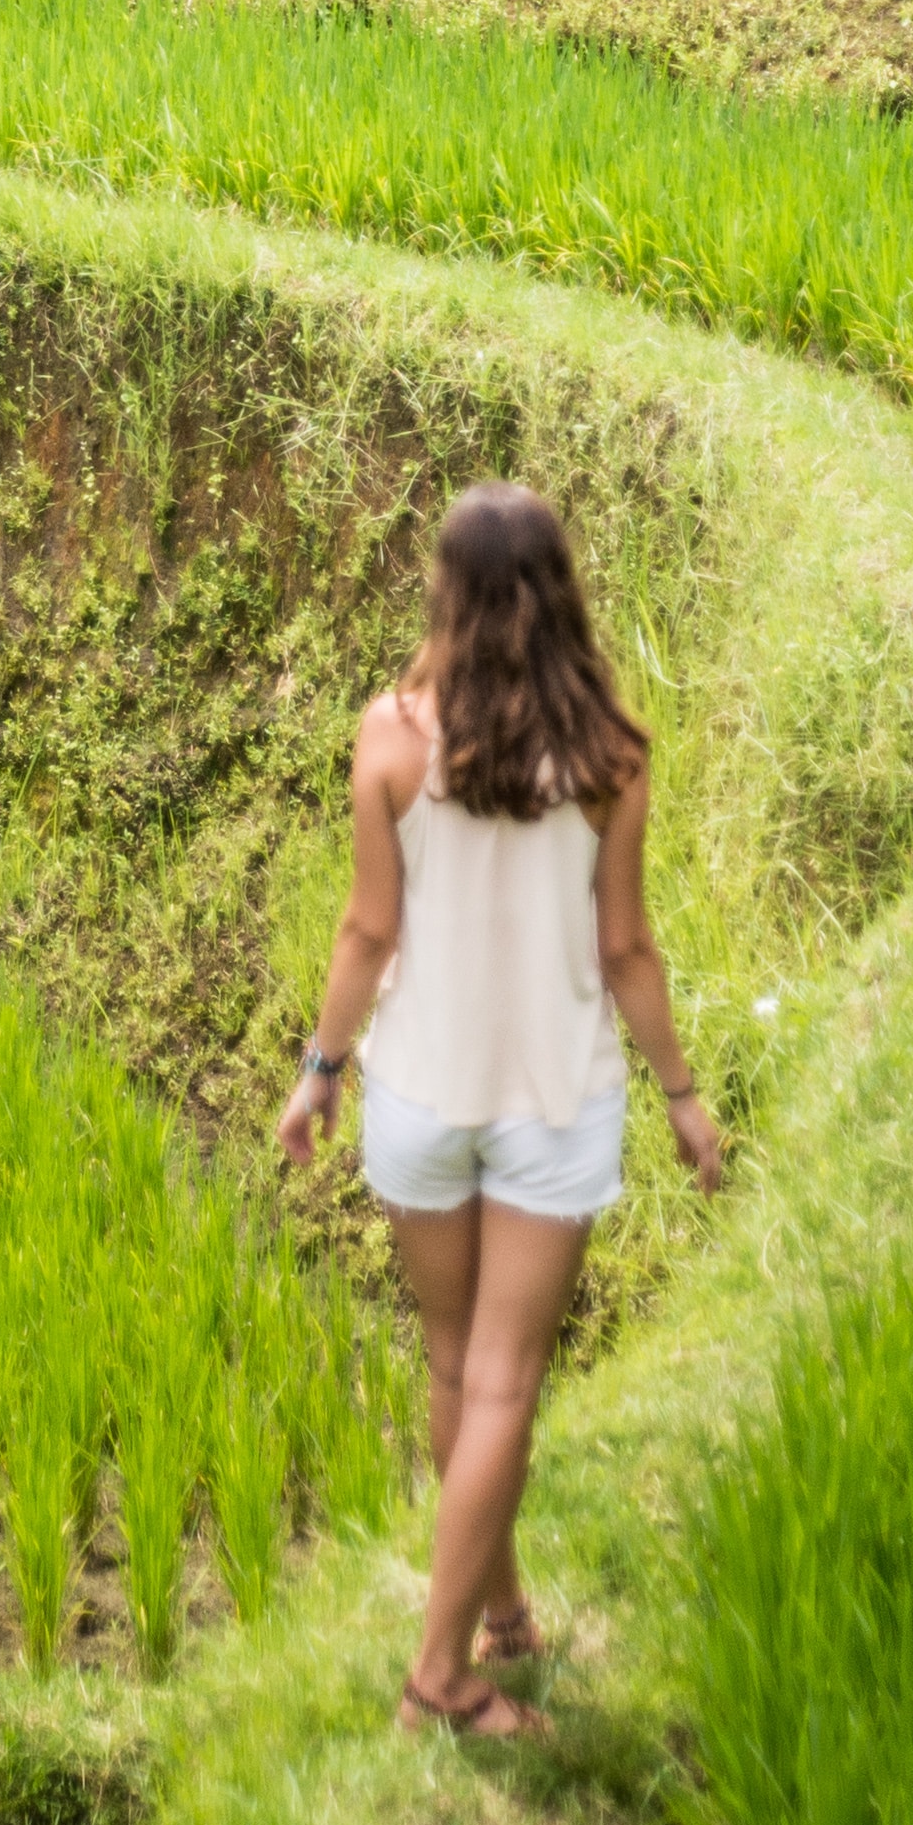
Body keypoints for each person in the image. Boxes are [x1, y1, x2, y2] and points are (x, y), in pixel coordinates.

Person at [277, 482, 724, 1740]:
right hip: (550, 1102)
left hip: (419, 1096)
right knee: (506, 1382)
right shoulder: (607, 757)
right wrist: (682, 1102)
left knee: (454, 1365)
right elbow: (626, 950)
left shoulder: (391, 737)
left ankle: (501, 1611)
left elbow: (370, 930)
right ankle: (442, 1679)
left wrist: (319, 1074)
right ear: (560, 593)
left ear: (446, 594)